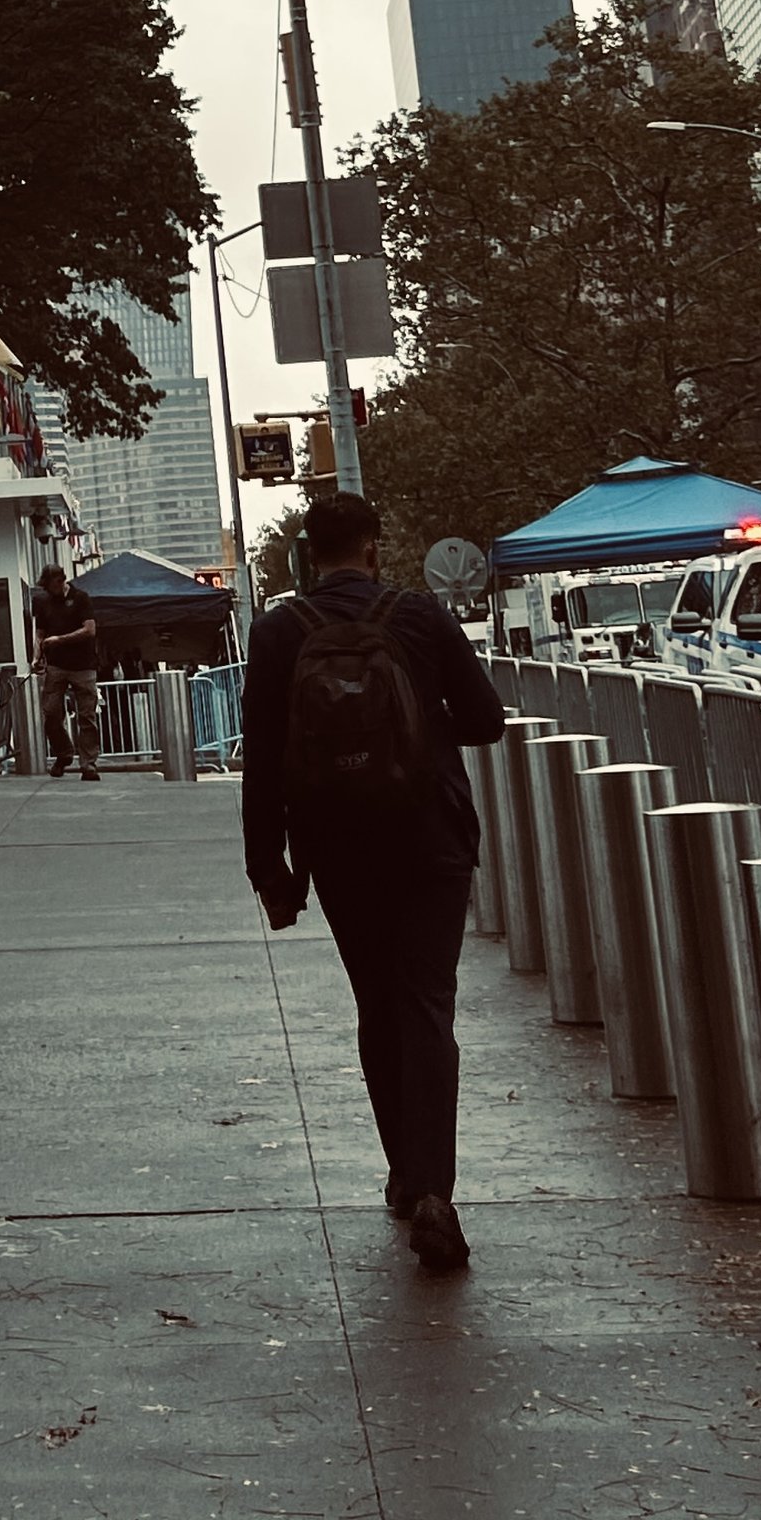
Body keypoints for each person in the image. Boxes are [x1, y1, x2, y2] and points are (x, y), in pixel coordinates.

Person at [241, 488, 506, 1274]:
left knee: (377, 1002)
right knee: (426, 1003)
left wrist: (270, 870)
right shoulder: (419, 615)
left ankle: (405, 1172)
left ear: (307, 555)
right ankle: (434, 1192)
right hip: (431, 841)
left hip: (339, 847)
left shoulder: (279, 631)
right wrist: (422, 722)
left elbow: (263, 760)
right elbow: (487, 718)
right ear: (373, 548)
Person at [29, 561, 103, 779]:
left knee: (87, 716)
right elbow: (40, 633)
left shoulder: (81, 598)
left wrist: (59, 640)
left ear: (60, 581)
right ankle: (64, 752)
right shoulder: (44, 602)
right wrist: (36, 657)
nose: (49, 591)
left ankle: (88, 763)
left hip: (83, 665)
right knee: (51, 713)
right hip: (56, 665)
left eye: (51, 586)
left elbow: (89, 630)